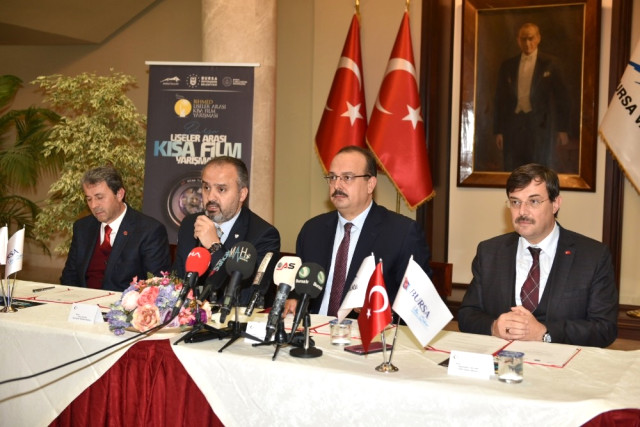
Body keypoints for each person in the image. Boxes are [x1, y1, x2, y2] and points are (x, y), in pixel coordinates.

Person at [458, 163, 618, 347]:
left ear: (555, 204)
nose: (522, 211)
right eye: (515, 202)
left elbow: (605, 328)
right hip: (500, 359)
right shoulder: (490, 252)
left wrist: (545, 333)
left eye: (533, 201)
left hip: (562, 362)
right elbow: (467, 315)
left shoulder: (592, 256)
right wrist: (493, 327)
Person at [284, 145, 432, 317]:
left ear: (370, 184)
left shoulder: (401, 233)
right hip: (312, 328)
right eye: (332, 177)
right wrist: (293, 299)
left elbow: (419, 306)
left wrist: (379, 311)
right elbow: (298, 288)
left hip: (364, 332)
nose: (337, 185)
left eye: (347, 177)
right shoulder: (312, 230)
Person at [172, 156, 280, 306]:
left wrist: (215, 247)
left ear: (242, 194)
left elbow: (246, 299)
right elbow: (177, 281)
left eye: (221, 189)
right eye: (206, 187)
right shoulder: (190, 224)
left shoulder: (264, 235)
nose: (210, 197)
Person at [61, 166, 171, 292]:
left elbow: (156, 286)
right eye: (89, 199)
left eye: (99, 197)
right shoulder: (82, 228)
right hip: (82, 301)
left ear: (119, 194)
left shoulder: (149, 231)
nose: (94, 205)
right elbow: (69, 277)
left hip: (123, 303)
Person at [493, 22, 570, 171]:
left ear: (538, 38)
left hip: (540, 127)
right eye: (523, 39)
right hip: (513, 127)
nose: (527, 43)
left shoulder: (551, 63)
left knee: (538, 171)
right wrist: (499, 131)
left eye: (531, 38)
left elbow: (563, 97)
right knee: (514, 171)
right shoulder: (507, 65)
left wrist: (562, 129)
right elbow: (500, 99)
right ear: (518, 40)